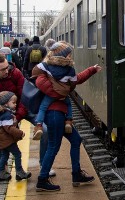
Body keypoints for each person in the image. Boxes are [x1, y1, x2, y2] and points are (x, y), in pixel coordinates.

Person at [35, 57, 101, 192]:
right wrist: (39, 123)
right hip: (54, 115)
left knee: (76, 140)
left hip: (61, 116)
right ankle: (42, 179)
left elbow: (77, 78)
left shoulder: (61, 72)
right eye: (68, 54)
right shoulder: (52, 71)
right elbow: (75, 79)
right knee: (53, 147)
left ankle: (76, 174)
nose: (70, 57)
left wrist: (92, 70)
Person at [0, 54, 55, 178]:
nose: (7, 71)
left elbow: (24, 97)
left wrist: (17, 116)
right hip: (5, 114)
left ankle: (44, 164)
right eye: (2, 70)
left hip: (24, 109)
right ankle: (3, 167)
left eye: (7, 67)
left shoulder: (16, 73)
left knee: (45, 130)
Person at [32, 41, 76, 141]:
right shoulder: (70, 69)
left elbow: (36, 70)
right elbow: (73, 83)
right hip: (63, 94)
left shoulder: (46, 65)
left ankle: (39, 126)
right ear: (65, 55)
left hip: (50, 95)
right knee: (69, 104)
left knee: (43, 108)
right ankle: (68, 121)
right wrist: (67, 90)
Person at [0, 91, 31, 182]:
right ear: (6, 103)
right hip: (7, 140)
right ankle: (20, 172)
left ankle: (0, 173)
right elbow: (9, 128)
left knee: (5, 155)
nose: (15, 104)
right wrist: (20, 133)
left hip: (2, 140)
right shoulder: (6, 115)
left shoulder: (0, 113)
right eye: (13, 102)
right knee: (17, 154)